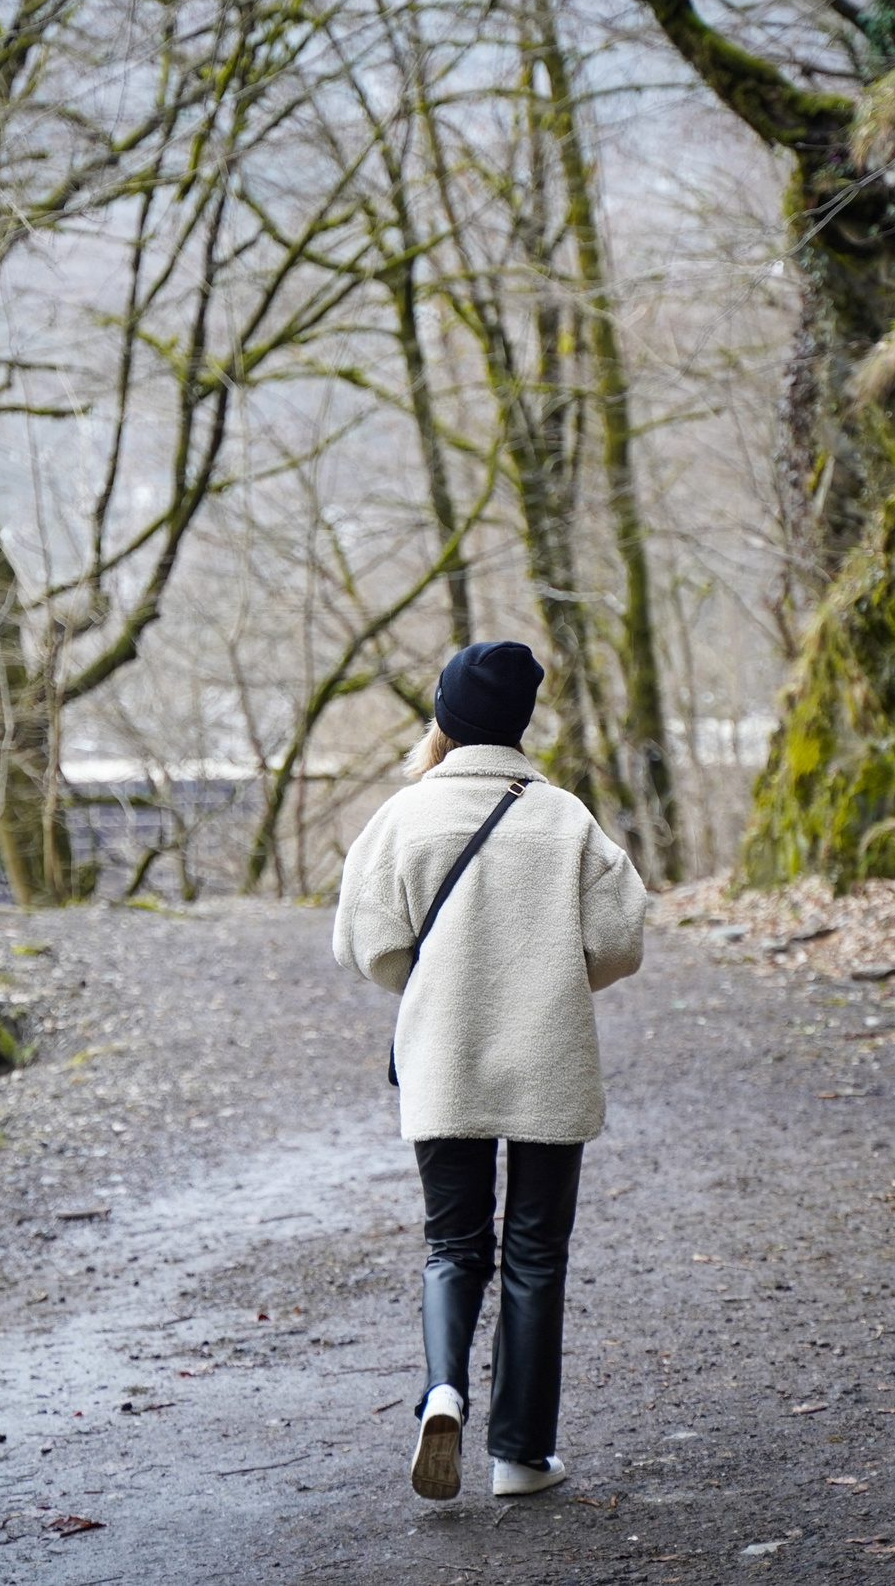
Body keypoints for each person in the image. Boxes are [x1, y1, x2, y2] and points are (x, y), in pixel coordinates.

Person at [332, 640, 650, 1502]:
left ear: (444, 718)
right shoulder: (567, 817)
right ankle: (518, 1453)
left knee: (452, 1244)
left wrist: (432, 984)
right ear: (520, 723)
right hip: (549, 1056)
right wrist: (548, 976)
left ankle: (443, 1392)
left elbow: (363, 942)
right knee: (536, 1252)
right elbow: (622, 938)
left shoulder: (402, 817)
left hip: (443, 1058)